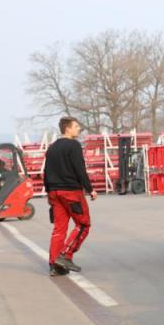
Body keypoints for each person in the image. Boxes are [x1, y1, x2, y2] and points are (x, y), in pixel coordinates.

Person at [44, 116, 96, 276]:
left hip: (54, 192)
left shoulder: (52, 148)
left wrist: (49, 192)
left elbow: (46, 171)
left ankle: (54, 265)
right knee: (83, 225)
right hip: (71, 192)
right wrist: (90, 189)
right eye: (76, 126)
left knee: (59, 229)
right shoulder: (74, 145)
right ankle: (65, 255)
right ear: (67, 128)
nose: (79, 129)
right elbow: (80, 169)